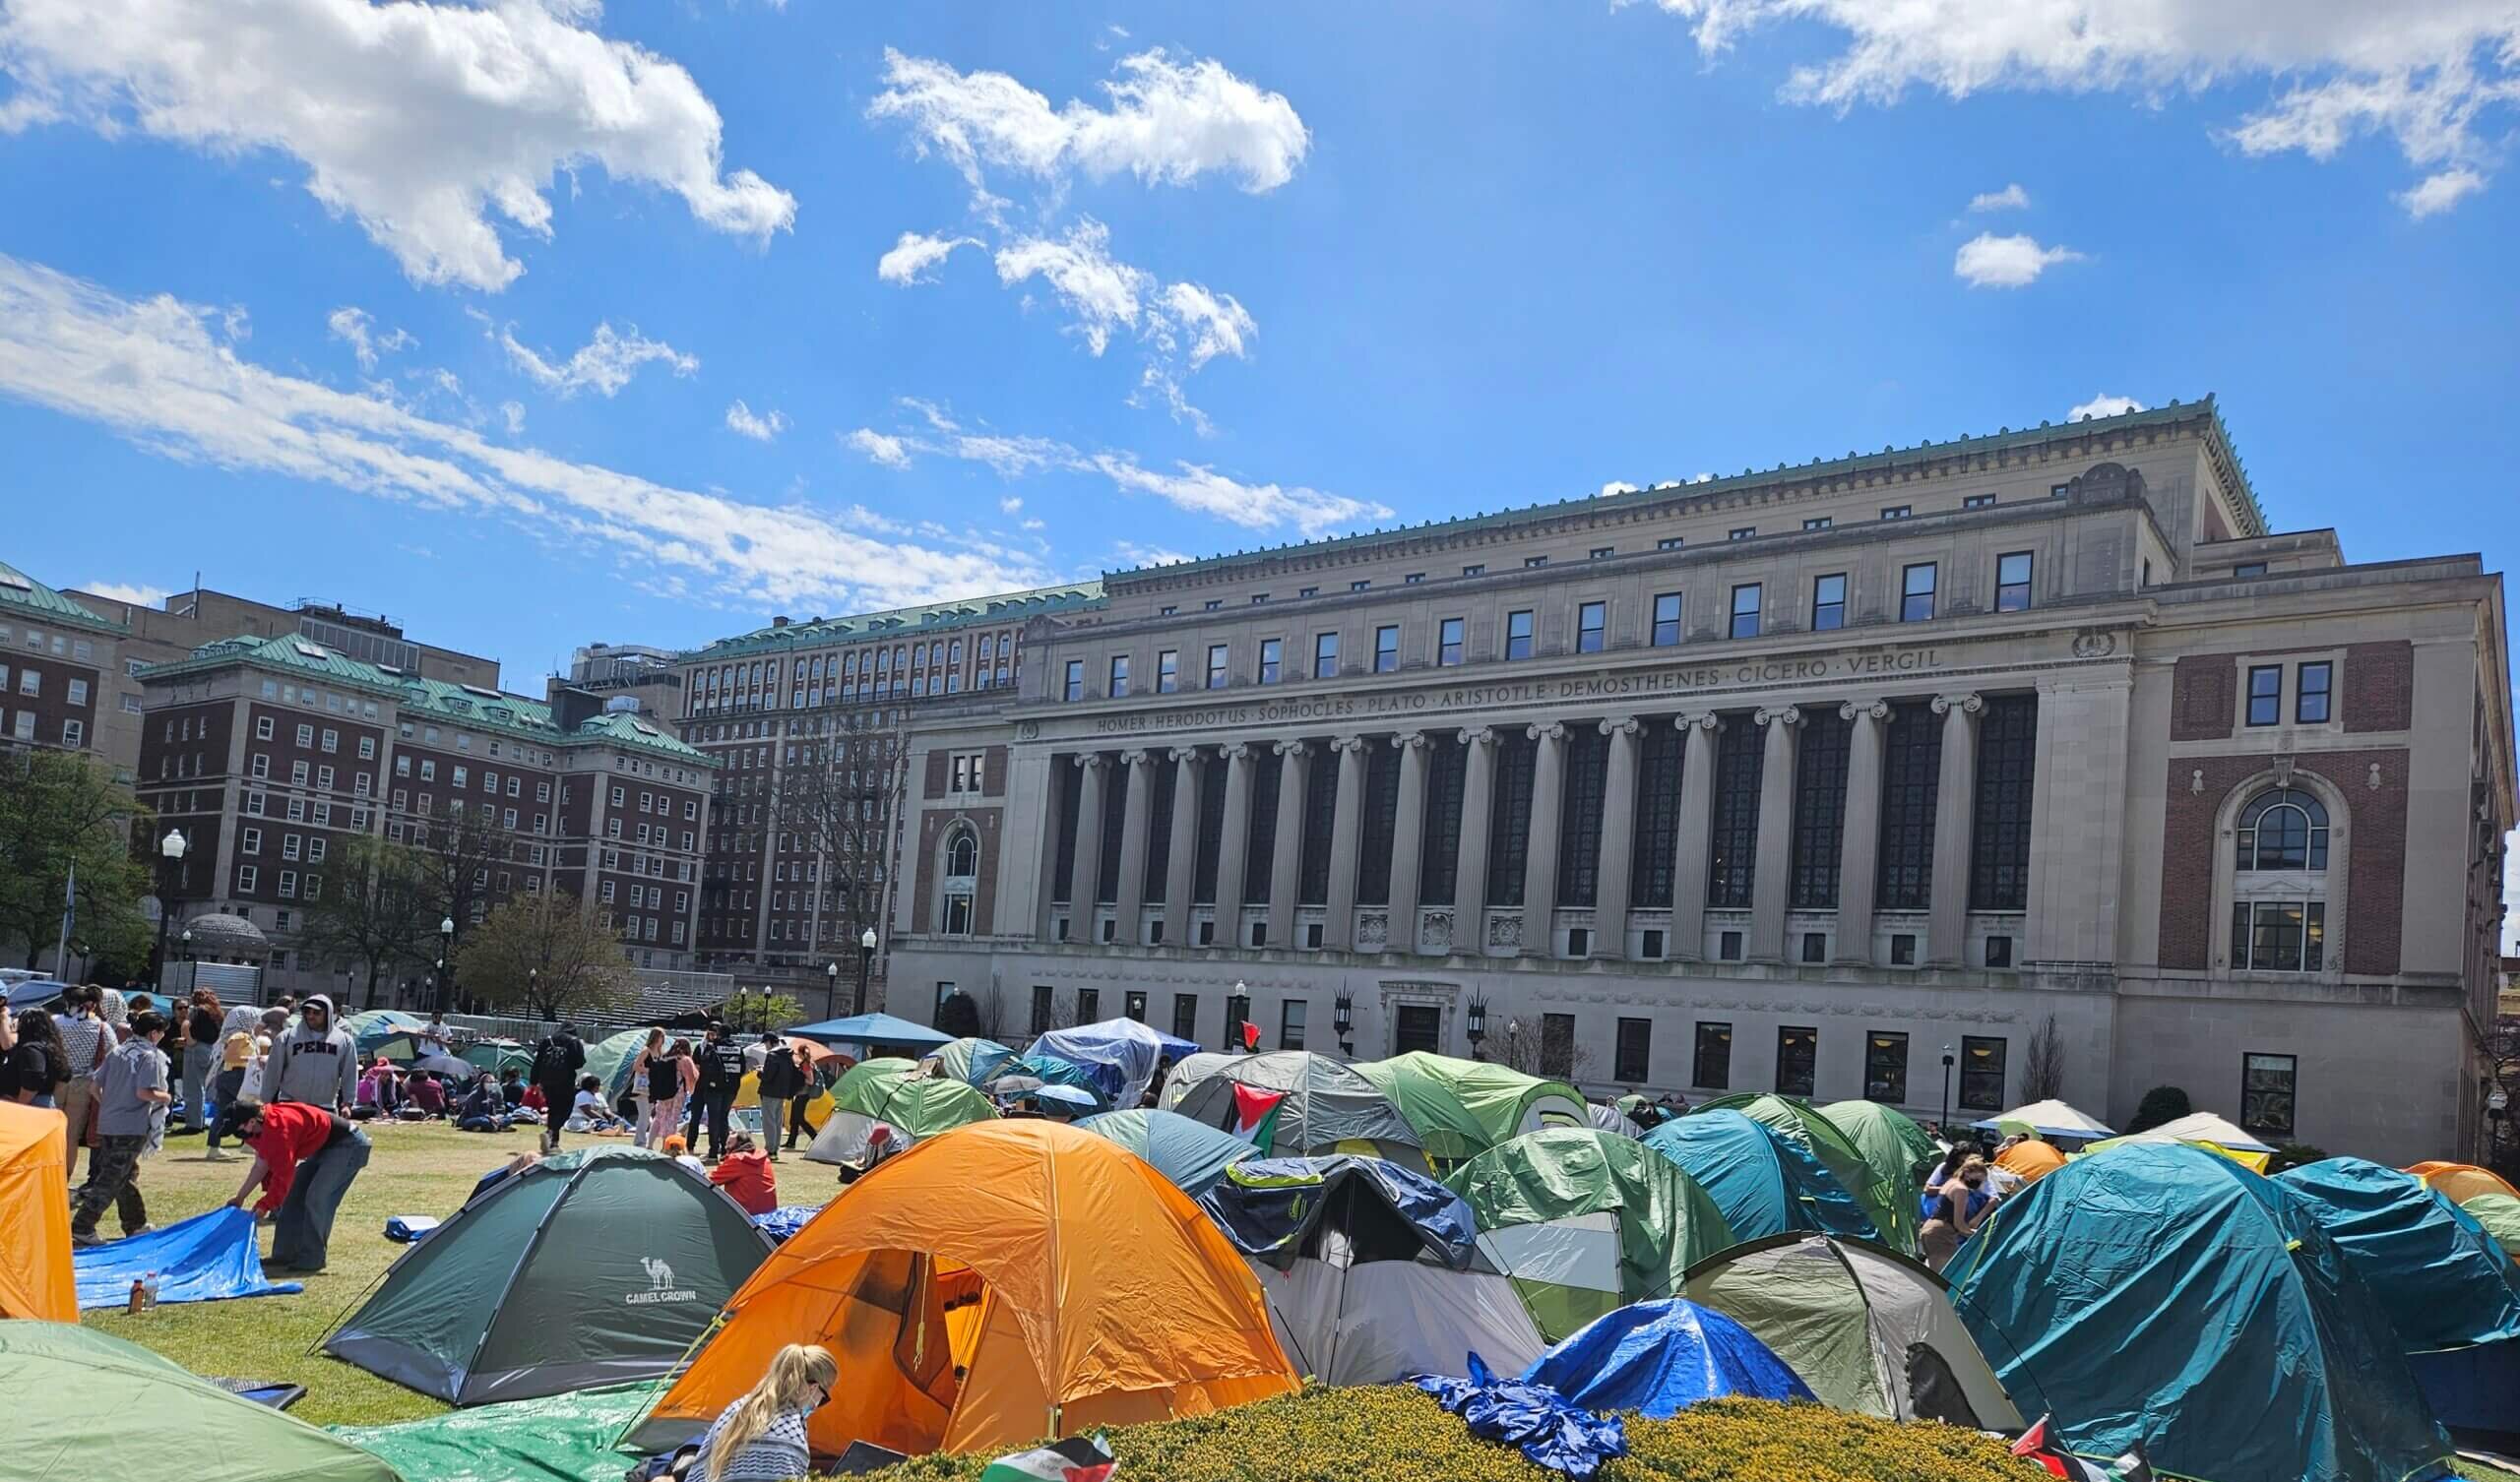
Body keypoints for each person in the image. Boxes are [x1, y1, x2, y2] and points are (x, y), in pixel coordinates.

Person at [221, 1098, 372, 1272]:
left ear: (252, 1121)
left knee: (317, 1198)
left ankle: (313, 1257)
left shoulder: (278, 1130)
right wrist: (240, 1197)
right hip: (323, 1146)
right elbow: (261, 1165)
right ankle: (285, 1254)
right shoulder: (259, 1130)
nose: (237, 1134)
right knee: (293, 1196)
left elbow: (283, 1176)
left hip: (349, 1144)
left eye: (238, 1129)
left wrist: (264, 1205)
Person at [70, 1010, 171, 1246]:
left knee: (124, 1175)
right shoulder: (148, 1055)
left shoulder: (118, 1051)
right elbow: (144, 1093)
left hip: (108, 1123)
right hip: (131, 1126)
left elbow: (94, 1087)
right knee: (111, 1179)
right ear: (154, 1033)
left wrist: (110, 1104)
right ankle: (82, 1226)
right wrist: (165, 1097)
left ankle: (135, 1223)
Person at [686, 1341, 835, 1482]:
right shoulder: (790, 1432)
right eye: (823, 1399)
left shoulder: (736, 1409)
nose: (816, 1407)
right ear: (813, 1388)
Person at [263, 994, 358, 1114]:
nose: (310, 1016)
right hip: (290, 1104)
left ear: (328, 1014)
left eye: (316, 1012)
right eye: (307, 1012)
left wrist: (348, 1103)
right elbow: (272, 1072)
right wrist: (265, 1101)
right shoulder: (286, 1037)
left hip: (325, 1106)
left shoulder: (344, 1040)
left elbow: (350, 1073)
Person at [1918, 1155, 1991, 1271]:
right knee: (1943, 1277)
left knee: (1934, 1272)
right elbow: (1959, 1224)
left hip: (1930, 1228)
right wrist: (1976, 1234)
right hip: (1942, 1233)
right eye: (1978, 1179)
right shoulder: (1961, 1190)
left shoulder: (1951, 1182)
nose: (1978, 1183)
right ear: (1966, 1173)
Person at [692, 1021, 746, 1163]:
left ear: (720, 1033)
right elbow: (742, 1069)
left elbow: (705, 1066)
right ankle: (725, 1151)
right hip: (731, 1089)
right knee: (724, 1118)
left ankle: (712, 1153)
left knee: (714, 1119)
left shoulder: (713, 1047)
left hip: (714, 1088)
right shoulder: (738, 1049)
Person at [203, 1017, 256, 1160]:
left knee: (222, 1112)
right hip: (237, 1075)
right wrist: (252, 1059)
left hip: (229, 1075)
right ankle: (249, 1144)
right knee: (250, 1109)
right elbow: (230, 1056)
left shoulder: (235, 1036)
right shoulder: (242, 1036)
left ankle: (214, 1147)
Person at [531, 1021, 587, 1153]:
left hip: (547, 1081)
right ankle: (551, 1133)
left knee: (553, 1109)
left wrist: (534, 1082)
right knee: (565, 1110)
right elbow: (579, 1063)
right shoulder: (574, 1041)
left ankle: (553, 1144)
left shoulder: (548, 1040)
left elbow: (538, 1061)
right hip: (565, 1081)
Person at [1, 1009, 67, 1108]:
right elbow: (64, 1077)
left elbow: (33, 1082)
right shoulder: (48, 1047)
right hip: (39, 1101)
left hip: (29, 1105)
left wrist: (19, 1103)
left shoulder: (31, 1049)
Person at [179, 988, 224, 1133]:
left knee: (192, 1088)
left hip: (196, 1048)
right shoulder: (217, 1013)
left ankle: (193, 1124)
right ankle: (200, 1121)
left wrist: (190, 1041)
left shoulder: (198, 1010)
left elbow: (186, 1025)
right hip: (209, 1049)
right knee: (202, 1088)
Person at [753, 1033, 802, 1163]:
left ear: (769, 1042)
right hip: (782, 1093)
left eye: (765, 1043)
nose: (765, 1046)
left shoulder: (772, 1055)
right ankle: (774, 1149)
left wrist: (759, 1072)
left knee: (769, 1122)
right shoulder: (787, 1054)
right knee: (776, 1121)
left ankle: (770, 1149)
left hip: (770, 1092)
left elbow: (768, 1076)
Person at [708, 1131, 779, 1214]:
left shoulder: (737, 1159)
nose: (726, 1147)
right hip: (770, 1212)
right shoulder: (764, 1159)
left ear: (739, 1144)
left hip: (745, 1214)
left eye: (729, 1143)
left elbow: (709, 1181)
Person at [648, 1037, 696, 1149]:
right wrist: (691, 1090)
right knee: (673, 1118)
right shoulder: (684, 1059)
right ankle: (666, 1146)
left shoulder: (664, 1056)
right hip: (677, 1092)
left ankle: (649, 1144)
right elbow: (690, 1077)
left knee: (658, 1117)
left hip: (663, 1093)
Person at [628, 1028, 666, 1147]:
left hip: (652, 1088)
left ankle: (642, 1140)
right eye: (661, 1037)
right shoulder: (646, 1051)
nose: (662, 1040)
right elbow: (635, 1066)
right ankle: (640, 1142)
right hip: (642, 1087)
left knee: (648, 1115)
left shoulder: (660, 1053)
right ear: (655, 1037)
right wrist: (649, 1070)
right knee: (643, 1116)